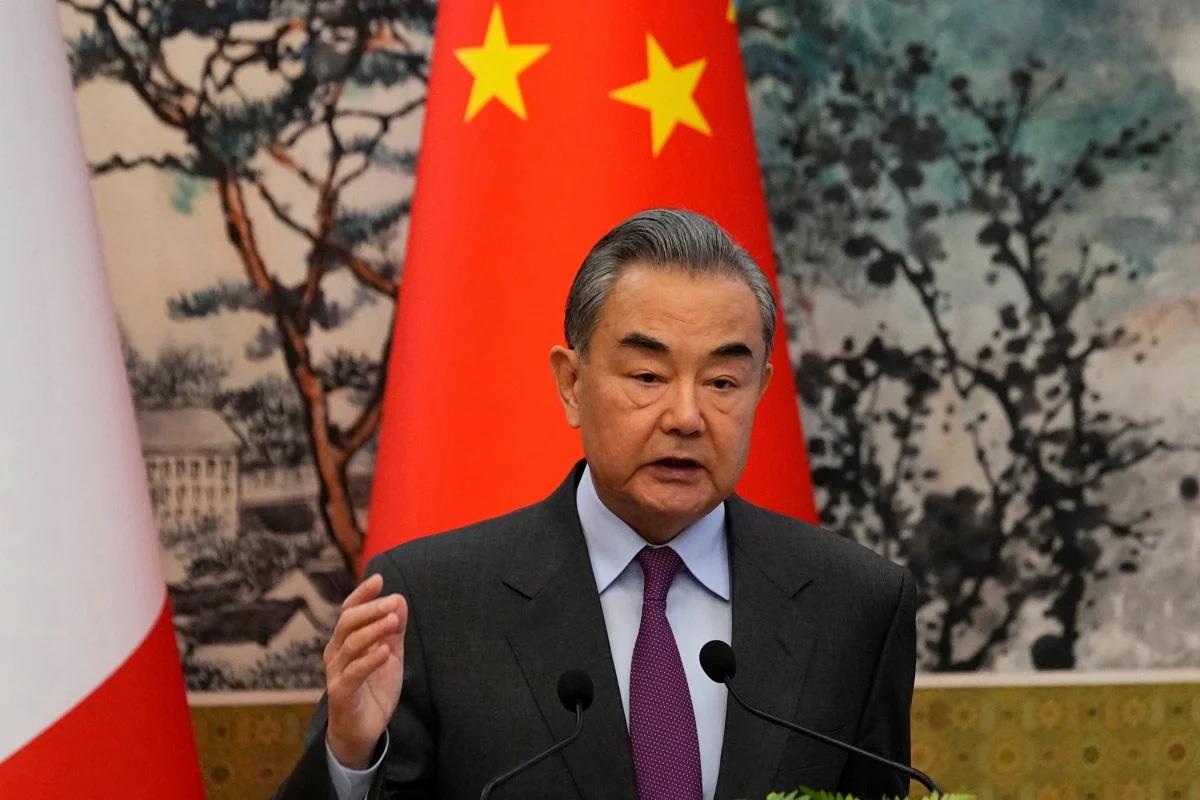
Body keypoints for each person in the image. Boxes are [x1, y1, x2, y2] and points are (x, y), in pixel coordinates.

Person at [273, 209, 916, 800]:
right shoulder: (434, 603)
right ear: (572, 384)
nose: (686, 417)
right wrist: (351, 759)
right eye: (648, 377)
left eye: (723, 382)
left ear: (760, 391)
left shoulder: (856, 605)